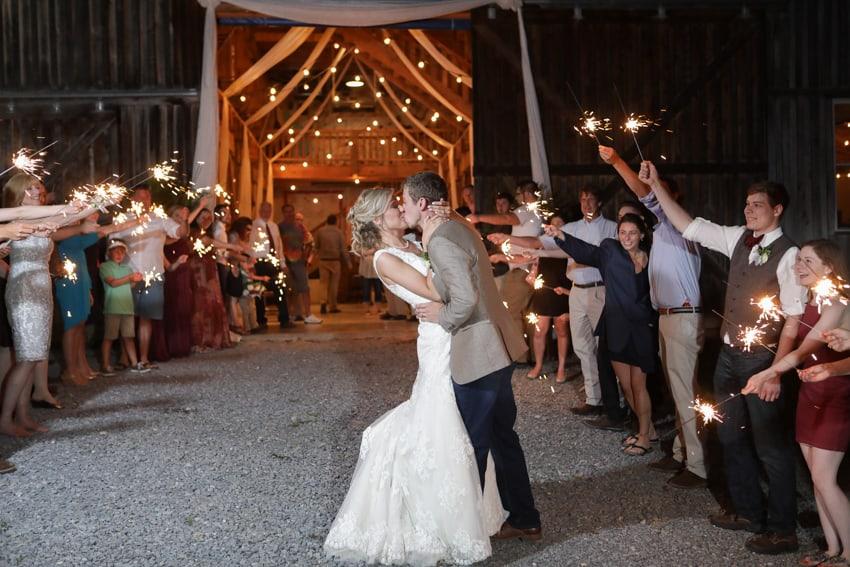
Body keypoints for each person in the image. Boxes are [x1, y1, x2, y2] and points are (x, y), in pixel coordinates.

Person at [324, 187, 506, 565]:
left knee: (463, 418)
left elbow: (451, 256)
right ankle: (435, 514)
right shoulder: (384, 259)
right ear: (379, 219)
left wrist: (446, 222)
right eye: (393, 206)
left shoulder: (411, 241)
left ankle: (466, 505)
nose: (400, 209)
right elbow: (428, 289)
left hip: (454, 328)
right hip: (438, 334)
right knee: (442, 418)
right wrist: (451, 265)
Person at [642, 160, 805, 555]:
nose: (749, 210)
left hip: (762, 361)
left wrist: (775, 372)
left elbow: (794, 319)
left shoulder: (789, 254)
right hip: (729, 357)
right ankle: (748, 512)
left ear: (777, 209)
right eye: (747, 204)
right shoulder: (738, 238)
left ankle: (783, 530)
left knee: (770, 447)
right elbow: (688, 226)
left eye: (757, 205)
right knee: (730, 437)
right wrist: (657, 186)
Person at [411, 172, 541, 543]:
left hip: (478, 353)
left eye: (404, 201)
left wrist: (442, 315)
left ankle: (467, 536)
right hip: (496, 345)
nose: (402, 208)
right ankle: (525, 518)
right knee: (502, 438)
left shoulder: (441, 237)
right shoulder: (460, 226)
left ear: (422, 203)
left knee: (472, 446)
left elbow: (465, 299)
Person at [600, 146, 707, 489]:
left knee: (685, 391)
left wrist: (617, 161)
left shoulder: (679, 227)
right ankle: (680, 451)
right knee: (676, 390)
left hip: (682, 317)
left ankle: (698, 466)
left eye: (660, 196)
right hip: (666, 317)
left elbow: (644, 192)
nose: (652, 202)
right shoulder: (661, 233)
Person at [742, 240, 850, 567]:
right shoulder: (808, 298)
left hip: (835, 396)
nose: (798, 266)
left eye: (807, 261)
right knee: (817, 479)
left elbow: (804, 351)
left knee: (825, 478)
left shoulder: (836, 301)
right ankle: (831, 550)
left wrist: (768, 373)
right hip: (809, 393)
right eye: (798, 260)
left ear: (829, 267)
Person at [545, 213, 658, 456]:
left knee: (639, 385)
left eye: (632, 233)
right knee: (626, 386)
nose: (627, 237)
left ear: (641, 235)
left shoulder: (653, 256)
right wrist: (561, 235)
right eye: (623, 232)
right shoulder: (610, 251)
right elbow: (586, 251)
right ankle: (646, 430)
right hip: (616, 327)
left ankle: (644, 438)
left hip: (641, 328)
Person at [1, 173, 104, 436]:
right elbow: (63, 212)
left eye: (38, 187)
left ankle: (24, 415)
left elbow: (70, 217)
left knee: (35, 356)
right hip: (24, 290)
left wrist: (101, 200)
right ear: (18, 194)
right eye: (30, 188)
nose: (37, 191)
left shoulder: (43, 221)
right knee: (26, 358)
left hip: (43, 290)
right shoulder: (16, 220)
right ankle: (5, 420)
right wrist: (75, 207)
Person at [110, 185, 187, 369]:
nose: (145, 201)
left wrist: (184, 220)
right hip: (128, 275)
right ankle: (124, 357)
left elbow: (179, 233)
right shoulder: (121, 219)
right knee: (126, 318)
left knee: (146, 317)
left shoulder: (159, 218)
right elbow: (112, 245)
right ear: (132, 199)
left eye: (148, 198)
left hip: (154, 275)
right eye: (141, 197)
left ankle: (144, 358)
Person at [466, 181, 543, 363]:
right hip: (522, 266)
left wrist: (478, 217)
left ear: (526, 194)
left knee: (508, 311)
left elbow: (508, 219)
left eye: (519, 194)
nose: (518, 197)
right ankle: (529, 355)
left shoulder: (527, 210)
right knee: (522, 313)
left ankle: (519, 357)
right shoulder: (536, 212)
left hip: (522, 269)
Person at [561, 186, 618, 415]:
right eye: (583, 200)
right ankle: (594, 400)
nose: (586, 204)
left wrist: (586, 259)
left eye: (591, 199)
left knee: (604, 346)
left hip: (599, 291)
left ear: (599, 202)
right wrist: (511, 240)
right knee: (582, 346)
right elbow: (544, 244)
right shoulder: (571, 228)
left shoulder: (612, 228)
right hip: (576, 291)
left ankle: (617, 400)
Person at [523, 213, 571, 382]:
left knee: (562, 330)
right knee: (539, 332)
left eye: (559, 223)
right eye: (553, 223)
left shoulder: (569, 246)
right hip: (543, 294)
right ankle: (538, 365)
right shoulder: (541, 247)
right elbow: (534, 271)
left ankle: (561, 368)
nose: (555, 226)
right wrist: (532, 276)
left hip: (562, 292)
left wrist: (567, 291)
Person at [99, 239, 149, 374]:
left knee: (128, 337)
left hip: (127, 308)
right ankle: (105, 365)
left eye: (122, 252)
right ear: (109, 253)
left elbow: (130, 285)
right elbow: (113, 283)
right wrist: (130, 278)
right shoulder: (105, 267)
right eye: (116, 251)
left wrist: (136, 279)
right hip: (113, 308)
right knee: (109, 337)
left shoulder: (127, 269)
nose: (119, 254)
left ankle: (135, 363)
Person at [250, 202, 290, 329]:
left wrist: (282, 262)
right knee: (259, 291)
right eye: (264, 210)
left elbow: (279, 245)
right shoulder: (254, 226)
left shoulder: (274, 226)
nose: (266, 213)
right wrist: (251, 263)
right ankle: (261, 320)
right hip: (259, 261)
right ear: (259, 211)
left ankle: (284, 318)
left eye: (269, 211)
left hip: (273, 261)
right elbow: (250, 245)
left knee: (280, 288)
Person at [279, 204, 321, 324]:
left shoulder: (300, 227)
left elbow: (308, 242)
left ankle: (308, 314)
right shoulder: (279, 227)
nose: (289, 214)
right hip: (285, 261)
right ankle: (289, 314)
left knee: (304, 287)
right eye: (287, 211)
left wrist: (306, 256)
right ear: (283, 213)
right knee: (288, 289)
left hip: (299, 261)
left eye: (291, 211)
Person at [162, 205, 193, 359]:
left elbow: (184, 233)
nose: (179, 219)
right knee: (173, 307)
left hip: (184, 274)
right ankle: (172, 345)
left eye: (181, 216)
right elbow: (169, 241)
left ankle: (183, 345)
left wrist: (185, 221)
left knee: (184, 308)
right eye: (176, 216)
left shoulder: (183, 231)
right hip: (172, 273)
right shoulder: (166, 234)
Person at [314, 214, 351, 314]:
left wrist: (316, 255)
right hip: (335, 260)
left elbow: (316, 246)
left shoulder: (320, 231)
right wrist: (348, 262)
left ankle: (323, 303)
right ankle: (333, 306)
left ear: (327, 221)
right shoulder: (339, 232)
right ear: (335, 221)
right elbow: (343, 248)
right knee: (334, 284)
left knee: (323, 283)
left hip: (323, 260)